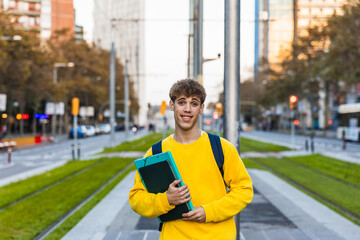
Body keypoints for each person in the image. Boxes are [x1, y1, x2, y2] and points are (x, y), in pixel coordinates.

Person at [129, 78, 253, 239]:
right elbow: (136, 198)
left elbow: (244, 190)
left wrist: (209, 212)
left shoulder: (221, 147)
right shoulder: (156, 152)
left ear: (201, 108)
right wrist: (166, 199)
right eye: (181, 102)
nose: (187, 109)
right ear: (172, 106)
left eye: (194, 103)